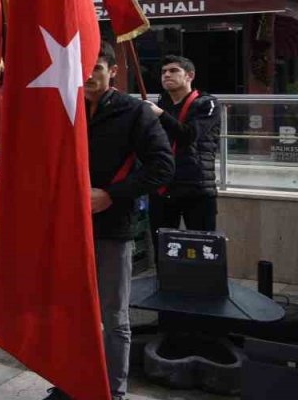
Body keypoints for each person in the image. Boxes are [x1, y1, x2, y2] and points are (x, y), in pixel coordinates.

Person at [45, 44, 174, 400]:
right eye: (83, 68)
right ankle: (69, 383)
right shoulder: (66, 109)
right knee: (69, 312)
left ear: (113, 71)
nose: (89, 75)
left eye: (97, 68)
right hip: (67, 228)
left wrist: (113, 194)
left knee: (114, 318)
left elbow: (163, 166)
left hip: (112, 230)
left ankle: (113, 391)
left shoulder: (134, 112)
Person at [150, 55, 220, 232]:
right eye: (163, 71)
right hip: (163, 187)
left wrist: (160, 115)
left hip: (197, 188)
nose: (166, 75)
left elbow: (189, 135)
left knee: (203, 250)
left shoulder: (207, 103)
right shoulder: (160, 105)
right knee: (162, 249)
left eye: (173, 71)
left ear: (190, 75)